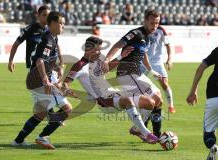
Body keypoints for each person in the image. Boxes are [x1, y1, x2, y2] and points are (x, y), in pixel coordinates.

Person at [63, 36, 159, 143]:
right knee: (127, 100)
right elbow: (65, 83)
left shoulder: (98, 60)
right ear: (88, 49)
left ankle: (136, 129)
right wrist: (68, 90)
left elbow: (108, 68)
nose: (99, 52)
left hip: (112, 92)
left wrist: (121, 56)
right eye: (97, 50)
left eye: (100, 49)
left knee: (150, 102)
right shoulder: (79, 65)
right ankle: (147, 134)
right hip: (103, 100)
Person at [11, 11, 70, 150]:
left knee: (41, 113)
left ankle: (18, 141)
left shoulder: (53, 38)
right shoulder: (48, 38)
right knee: (67, 110)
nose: (63, 26)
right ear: (53, 24)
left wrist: (56, 67)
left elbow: (45, 59)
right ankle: (42, 137)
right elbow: (39, 60)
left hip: (34, 80)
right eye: (61, 24)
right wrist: (45, 80)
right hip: (39, 80)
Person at [102, 9, 163, 138]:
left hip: (136, 73)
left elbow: (144, 53)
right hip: (126, 74)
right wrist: (107, 59)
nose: (155, 26)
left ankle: (143, 129)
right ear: (145, 21)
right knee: (152, 101)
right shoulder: (136, 33)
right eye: (152, 23)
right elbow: (118, 44)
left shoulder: (148, 36)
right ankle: (147, 131)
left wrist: (151, 70)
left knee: (158, 98)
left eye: (157, 23)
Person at [186, 47, 218, 160]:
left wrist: (193, 91)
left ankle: (212, 146)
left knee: (208, 132)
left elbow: (201, 68)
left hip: (213, 96)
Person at [145, 24, 176, 113]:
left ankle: (171, 105)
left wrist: (169, 59)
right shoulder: (143, 29)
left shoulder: (161, 30)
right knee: (140, 85)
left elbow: (168, 45)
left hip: (157, 62)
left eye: (156, 21)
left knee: (164, 84)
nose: (154, 23)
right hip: (143, 61)